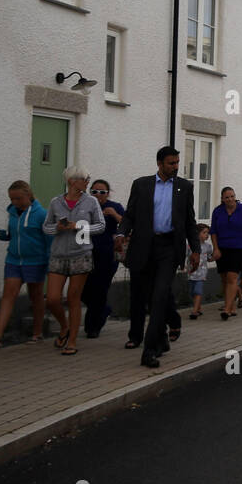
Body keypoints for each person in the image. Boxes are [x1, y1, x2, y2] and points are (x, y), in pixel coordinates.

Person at [115, 146, 201, 368]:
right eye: (171, 163)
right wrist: (121, 233)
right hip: (145, 246)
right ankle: (161, 339)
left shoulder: (184, 187)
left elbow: (190, 221)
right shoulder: (142, 185)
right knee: (148, 297)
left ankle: (149, 350)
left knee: (160, 296)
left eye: (177, 163)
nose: (175, 167)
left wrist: (196, 250)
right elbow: (130, 215)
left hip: (169, 248)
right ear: (159, 164)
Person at [42, 166, 106, 356]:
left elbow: (101, 226)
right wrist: (58, 228)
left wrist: (78, 226)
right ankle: (65, 327)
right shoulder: (56, 202)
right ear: (72, 181)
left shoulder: (91, 202)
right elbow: (46, 227)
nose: (88, 183)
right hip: (58, 255)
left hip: (81, 254)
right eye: (85, 179)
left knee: (73, 298)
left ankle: (72, 341)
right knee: (52, 299)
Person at [0, 180, 49, 346]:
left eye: (18, 198)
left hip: (35, 261)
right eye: (12, 199)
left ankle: (37, 333)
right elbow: (12, 235)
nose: (15, 203)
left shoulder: (41, 214)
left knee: (36, 296)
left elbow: (49, 240)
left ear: (28, 195)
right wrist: (0, 234)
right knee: (8, 295)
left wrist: (49, 262)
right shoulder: (12, 213)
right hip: (13, 259)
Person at [81, 178, 125, 338]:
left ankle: (93, 327)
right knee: (84, 291)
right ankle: (104, 310)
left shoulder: (114, 207)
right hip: (86, 254)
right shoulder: (85, 206)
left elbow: (127, 225)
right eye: (94, 192)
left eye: (102, 192)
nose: (98, 195)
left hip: (107, 255)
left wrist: (114, 215)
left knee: (99, 290)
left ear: (108, 193)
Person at [210, 186, 242, 320]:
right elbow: (213, 231)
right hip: (222, 248)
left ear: (235, 196)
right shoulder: (218, 211)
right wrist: (216, 248)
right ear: (222, 199)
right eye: (227, 197)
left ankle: (226, 309)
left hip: (238, 248)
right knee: (225, 279)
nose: (230, 199)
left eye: (232, 196)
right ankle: (232, 307)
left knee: (232, 277)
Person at [187, 224, 211, 318]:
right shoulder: (189, 246)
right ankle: (199, 307)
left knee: (198, 291)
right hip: (191, 272)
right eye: (204, 232)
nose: (207, 235)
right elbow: (185, 255)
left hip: (202, 273)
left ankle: (194, 311)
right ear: (197, 234)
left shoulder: (208, 246)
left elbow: (209, 258)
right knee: (193, 292)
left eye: (207, 233)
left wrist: (214, 258)